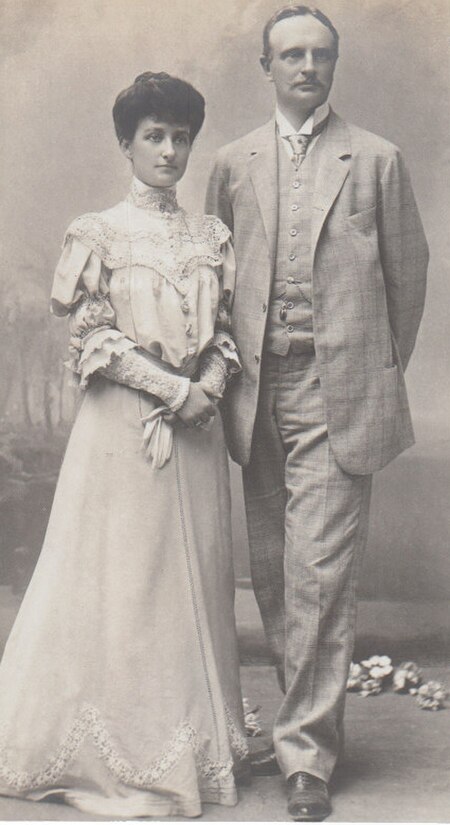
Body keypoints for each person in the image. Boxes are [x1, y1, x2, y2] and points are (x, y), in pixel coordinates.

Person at [0, 71, 249, 818]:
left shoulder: (211, 238)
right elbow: (94, 341)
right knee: (121, 583)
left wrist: (209, 379)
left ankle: (188, 737)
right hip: (121, 434)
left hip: (196, 439)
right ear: (126, 143)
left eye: (180, 137)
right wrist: (174, 391)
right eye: (154, 136)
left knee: (190, 583)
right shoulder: (98, 233)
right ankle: (112, 748)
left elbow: (225, 332)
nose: (169, 150)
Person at [206, 5, 428, 821]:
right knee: (273, 571)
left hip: (340, 394)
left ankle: (306, 758)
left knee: (321, 578)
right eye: (291, 54)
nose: (307, 66)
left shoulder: (375, 159)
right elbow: (213, 278)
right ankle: (303, 725)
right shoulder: (232, 164)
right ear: (267, 66)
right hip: (257, 392)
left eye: (320, 54)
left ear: (335, 65)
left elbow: (408, 282)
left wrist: (367, 370)